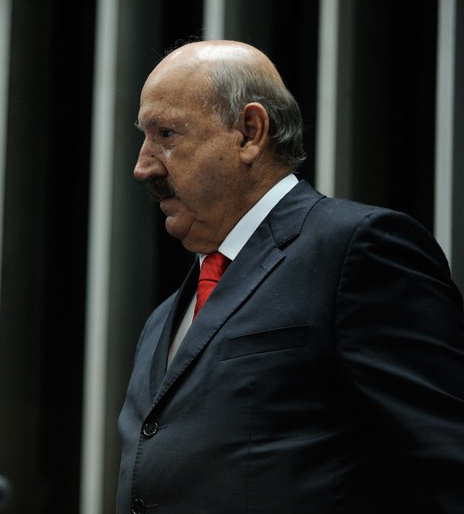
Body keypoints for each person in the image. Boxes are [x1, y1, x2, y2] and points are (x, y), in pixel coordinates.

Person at [118, 39, 464, 513]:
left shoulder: (359, 252)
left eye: (166, 134)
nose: (142, 166)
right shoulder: (163, 319)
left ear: (250, 132)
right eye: (144, 136)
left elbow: (447, 462)